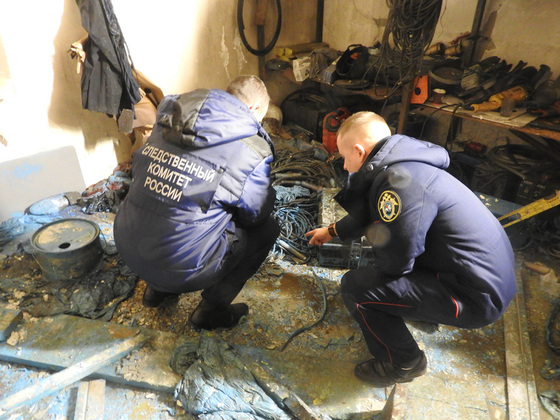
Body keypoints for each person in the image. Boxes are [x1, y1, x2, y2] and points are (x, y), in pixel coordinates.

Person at [305, 111, 516, 387]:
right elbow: (370, 212)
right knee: (383, 264)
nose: (344, 166)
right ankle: (419, 309)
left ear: (359, 151)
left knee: (357, 288)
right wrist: (332, 231)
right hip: (483, 277)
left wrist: (378, 278)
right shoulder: (404, 164)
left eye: (344, 157)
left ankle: (404, 363)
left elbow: (397, 260)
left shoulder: (399, 184)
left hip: (476, 297)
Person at [114, 75, 279, 331]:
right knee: (266, 230)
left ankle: (156, 291)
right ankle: (211, 310)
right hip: (182, 270)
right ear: (254, 108)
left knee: (164, 201)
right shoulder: (250, 150)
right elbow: (255, 214)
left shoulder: (170, 117)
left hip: (127, 247)